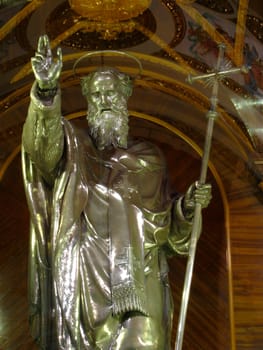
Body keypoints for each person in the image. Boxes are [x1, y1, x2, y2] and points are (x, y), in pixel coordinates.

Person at [22, 35, 211, 350]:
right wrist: (45, 91)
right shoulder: (73, 150)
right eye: (96, 95)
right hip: (85, 276)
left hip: (139, 273)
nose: (104, 100)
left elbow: (170, 232)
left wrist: (188, 208)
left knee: (146, 341)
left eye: (111, 93)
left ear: (125, 100)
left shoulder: (149, 158)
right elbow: (41, 149)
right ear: (88, 104)